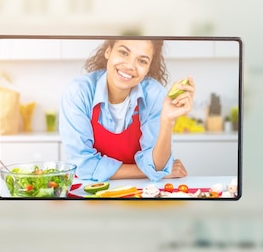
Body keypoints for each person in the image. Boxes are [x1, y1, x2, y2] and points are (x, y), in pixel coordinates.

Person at [59, 39, 195, 182]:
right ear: (108, 51)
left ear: (149, 67)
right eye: (123, 53)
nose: (130, 65)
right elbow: (83, 166)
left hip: (142, 192)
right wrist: (150, 172)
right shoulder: (79, 92)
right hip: (91, 191)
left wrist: (168, 120)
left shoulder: (155, 95)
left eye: (142, 61)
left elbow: (157, 164)